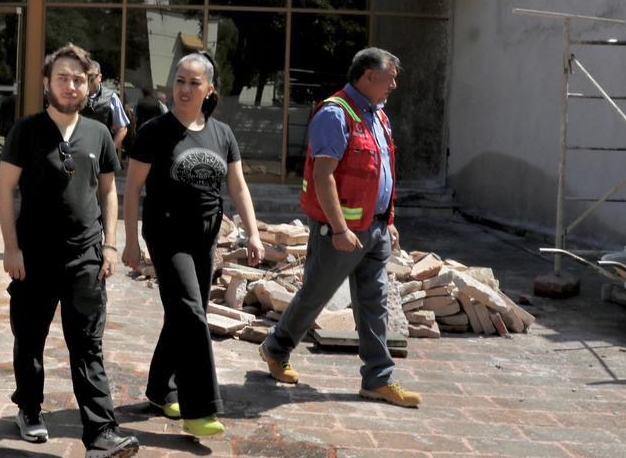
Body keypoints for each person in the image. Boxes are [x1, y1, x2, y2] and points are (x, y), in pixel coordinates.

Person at [0, 44, 139, 458]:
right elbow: (5, 190)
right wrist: (11, 248)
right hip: (33, 258)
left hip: (85, 258)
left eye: (78, 79)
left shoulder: (97, 132)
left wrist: (110, 245)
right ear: (47, 83)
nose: (70, 85)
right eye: (62, 77)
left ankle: (101, 433)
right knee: (30, 338)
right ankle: (29, 406)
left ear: (88, 85)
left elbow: (109, 191)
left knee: (88, 344)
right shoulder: (25, 131)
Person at [258, 48, 421, 408]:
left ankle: (378, 379)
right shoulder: (335, 114)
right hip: (341, 232)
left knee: (374, 304)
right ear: (367, 76)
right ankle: (275, 348)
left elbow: (382, 173)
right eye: (390, 76)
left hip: (375, 230)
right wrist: (338, 228)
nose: (395, 83)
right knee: (315, 295)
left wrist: (389, 221)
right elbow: (323, 175)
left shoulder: (378, 116)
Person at [123, 52, 264, 438]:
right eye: (180, 81)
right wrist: (131, 242)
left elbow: (237, 186)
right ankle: (199, 407)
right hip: (167, 233)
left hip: (206, 236)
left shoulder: (222, 134)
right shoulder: (154, 131)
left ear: (209, 89)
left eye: (193, 82)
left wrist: (252, 233)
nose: (184, 89)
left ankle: (158, 389)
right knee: (190, 313)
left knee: (188, 311)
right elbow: (133, 190)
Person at [83, 61, 130, 154]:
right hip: (78, 152)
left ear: (99, 77)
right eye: (85, 77)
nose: (87, 81)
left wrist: (111, 149)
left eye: (91, 77)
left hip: (101, 153)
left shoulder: (111, 97)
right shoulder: (75, 95)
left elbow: (122, 127)